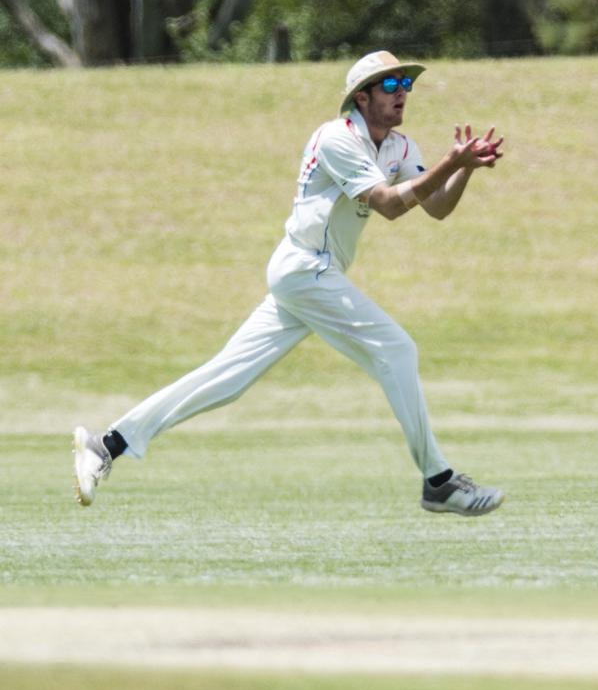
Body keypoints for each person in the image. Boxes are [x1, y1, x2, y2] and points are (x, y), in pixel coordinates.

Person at [74, 50, 505, 516]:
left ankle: (106, 445)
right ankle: (439, 481)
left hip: (310, 275)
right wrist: (449, 160)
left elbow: (436, 206)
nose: (402, 94)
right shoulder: (336, 138)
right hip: (304, 267)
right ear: (361, 98)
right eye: (391, 86)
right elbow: (388, 203)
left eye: (406, 86)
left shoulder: (400, 147)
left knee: (226, 380)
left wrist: (463, 169)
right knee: (397, 348)